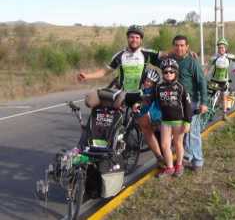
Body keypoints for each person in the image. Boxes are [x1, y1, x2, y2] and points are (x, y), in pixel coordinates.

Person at [77, 25, 165, 162]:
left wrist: (183, 53)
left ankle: (160, 157)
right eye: (131, 37)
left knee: (146, 127)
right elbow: (105, 71)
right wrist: (87, 76)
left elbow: (165, 55)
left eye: (137, 37)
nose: (134, 39)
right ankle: (105, 147)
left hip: (140, 95)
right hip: (123, 93)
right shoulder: (120, 56)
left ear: (141, 40)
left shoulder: (145, 54)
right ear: (128, 38)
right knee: (114, 120)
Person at [171, 35, 208, 172]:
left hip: (191, 101)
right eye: (176, 45)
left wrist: (204, 102)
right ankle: (187, 157)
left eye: (182, 45)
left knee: (193, 132)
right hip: (176, 102)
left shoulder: (192, 62)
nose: (179, 48)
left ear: (187, 47)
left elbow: (202, 82)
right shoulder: (172, 60)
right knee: (182, 131)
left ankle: (198, 161)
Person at [155, 59, 192, 178]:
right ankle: (170, 167)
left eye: (171, 72)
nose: (168, 74)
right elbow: (151, 101)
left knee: (178, 144)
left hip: (179, 121)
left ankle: (179, 165)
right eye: (165, 72)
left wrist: (187, 121)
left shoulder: (180, 87)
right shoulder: (159, 87)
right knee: (165, 145)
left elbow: (188, 105)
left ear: (176, 73)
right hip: (165, 121)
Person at [209, 37, 235, 121]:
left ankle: (224, 115)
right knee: (210, 96)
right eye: (219, 47)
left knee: (224, 97)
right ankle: (210, 109)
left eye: (222, 47)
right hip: (214, 80)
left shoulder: (229, 57)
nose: (221, 49)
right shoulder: (214, 57)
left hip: (223, 81)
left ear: (226, 48)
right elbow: (207, 68)